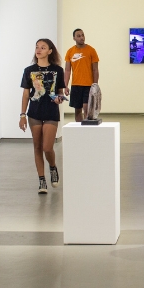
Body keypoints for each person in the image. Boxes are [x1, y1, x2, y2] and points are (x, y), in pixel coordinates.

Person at [19, 38, 65, 194]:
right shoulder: (28, 70)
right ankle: (42, 181)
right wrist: (22, 115)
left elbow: (59, 92)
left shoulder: (58, 70)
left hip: (51, 111)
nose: (39, 50)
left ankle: (52, 167)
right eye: (37, 47)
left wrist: (60, 99)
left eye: (43, 47)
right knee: (37, 147)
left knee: (47, 147)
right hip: (34, 112)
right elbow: (26, 95)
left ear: (50, 51)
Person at [64, 29, 99, 122]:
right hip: (76, 85)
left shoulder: (91, 50)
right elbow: (67, 70)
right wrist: (65, 86)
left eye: (82, 35)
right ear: (74, 38)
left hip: (88, 85)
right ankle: (79, 130)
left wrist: (95, 85)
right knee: (77, 110)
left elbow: (95, 69)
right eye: (78, 36)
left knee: (86, 108)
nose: (81, 37)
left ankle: (87, 129)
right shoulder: (70, 51)